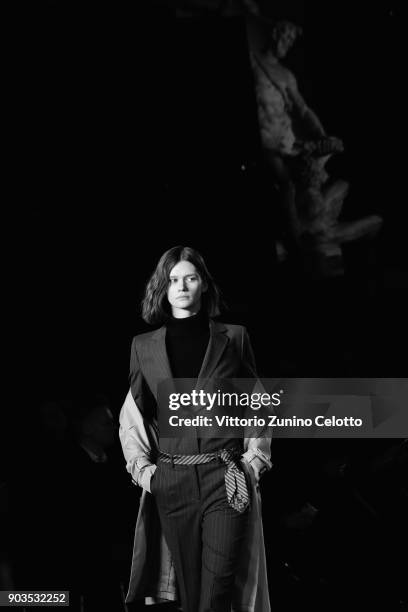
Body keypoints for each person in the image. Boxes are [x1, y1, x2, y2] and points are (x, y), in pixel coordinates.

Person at [119, 246, 272, 612]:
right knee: (189, 592)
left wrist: (253, 461)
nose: (181, 286)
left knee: (218, 588)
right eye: (173, 279)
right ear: (163, 288)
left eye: (190, 277)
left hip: (226, 477)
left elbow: (258, 403)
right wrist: (146, 474)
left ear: (203, 284)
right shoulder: (143, 347)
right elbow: (133, 414)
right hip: (173, 479)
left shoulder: (234, 338)